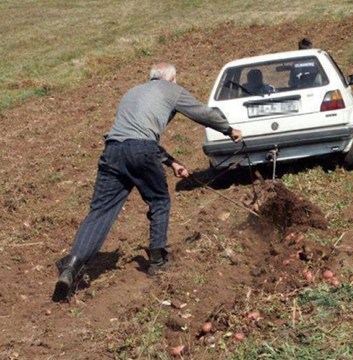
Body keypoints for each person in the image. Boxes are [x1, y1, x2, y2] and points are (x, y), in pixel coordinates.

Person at [52, 63, 243, 302]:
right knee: (159, 200)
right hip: (141, 149)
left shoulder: (132, 92)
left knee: (100, 211)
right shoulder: (170, 89)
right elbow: (201, 113)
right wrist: (228, 130)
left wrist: (171, 162)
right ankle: (157, 261)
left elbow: (134, 135)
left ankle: (71, 265)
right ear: (171, 79)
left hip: (113, 150)